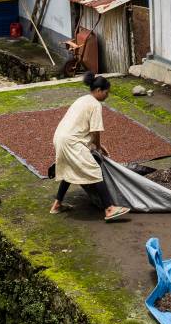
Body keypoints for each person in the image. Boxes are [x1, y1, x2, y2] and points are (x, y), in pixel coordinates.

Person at [50, 73, 130, 221]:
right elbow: (95, 131)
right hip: (72, 142)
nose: (107, 96)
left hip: (60, 138)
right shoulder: (95, 104)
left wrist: (98, 145)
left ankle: (56, 205)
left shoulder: (82, 99)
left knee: (69, 169)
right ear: (99, 90)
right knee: (94, 171)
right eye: (106, 93)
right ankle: (110, 209)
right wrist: (98, 147)